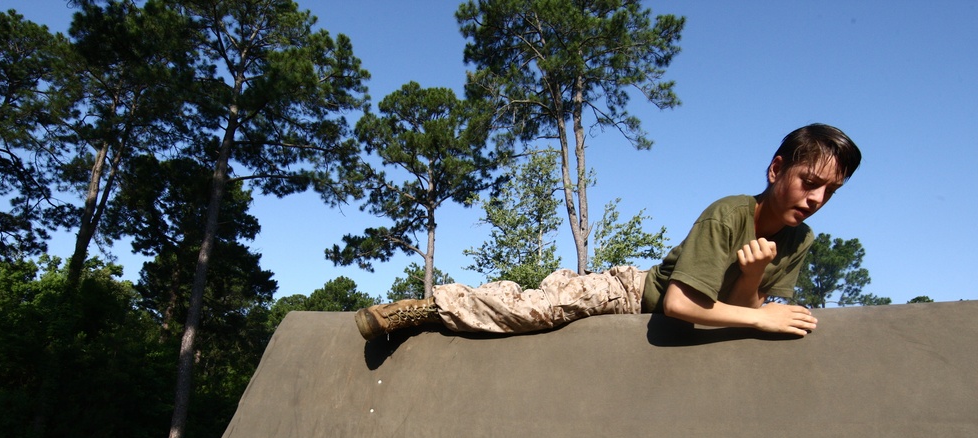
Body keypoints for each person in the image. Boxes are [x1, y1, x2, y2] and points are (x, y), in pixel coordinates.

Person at [354, 124, 861, 341]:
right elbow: (681, 305)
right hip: (630, 292)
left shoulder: (799, 241)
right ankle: (434, 307)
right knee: (540, 308)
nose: (815, 199)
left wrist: (752, 281)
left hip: (684, 309)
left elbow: (752, 310)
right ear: (777, 170)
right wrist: (761, 317)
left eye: (830, 192)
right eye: (808, 182)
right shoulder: (728, 214)